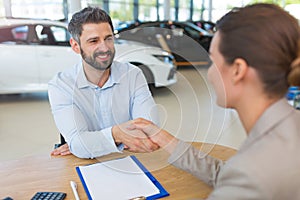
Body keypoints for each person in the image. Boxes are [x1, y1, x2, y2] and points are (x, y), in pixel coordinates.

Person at [131, 3, 300, 199]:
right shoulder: (287, 128)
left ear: (237, 70)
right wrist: (163, 137)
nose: (210, 74)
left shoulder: (253, 174)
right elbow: (227, 175)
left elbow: (241, 179)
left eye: (213, 61)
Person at [48, 6, 159, 159]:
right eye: (94, 41)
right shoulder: (61, 85)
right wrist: (117, 135)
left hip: (131, 161)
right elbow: (80, 145)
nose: (105, 48)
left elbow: (150, 131)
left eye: (108, 38)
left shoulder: (133, 74)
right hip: (89, 167)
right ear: (75, 46)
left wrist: (88, 144)